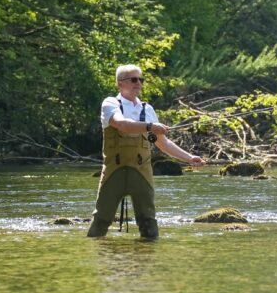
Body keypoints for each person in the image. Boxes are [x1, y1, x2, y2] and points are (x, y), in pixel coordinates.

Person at [87, 64, 205, 238]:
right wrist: (150, 126)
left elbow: (162, 143)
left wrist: (189, 158)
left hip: (142, 173)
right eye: (133, 80)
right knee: (101, 220)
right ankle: (98, 256)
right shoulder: (111, 103)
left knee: (148, 221)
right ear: (120, 84)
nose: (139, 83)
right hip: (114, 172)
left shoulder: (147, 109)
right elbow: (122, 124)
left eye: (140, 79)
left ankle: (147, 260)